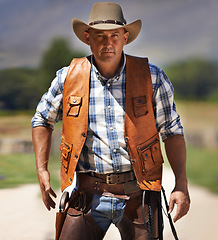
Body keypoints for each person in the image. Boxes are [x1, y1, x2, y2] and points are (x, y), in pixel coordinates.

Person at [32, 2, 190, 240]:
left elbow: (172, 131)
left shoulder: (152, 77)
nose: (108, 43)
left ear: (125, 37)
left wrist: (181, 184)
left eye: (114, 35)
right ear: (88, 38)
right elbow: (42, 119)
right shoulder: (68, 78)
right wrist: (42, 170)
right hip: (86, 195)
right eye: (99, 36)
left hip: (139, 195)